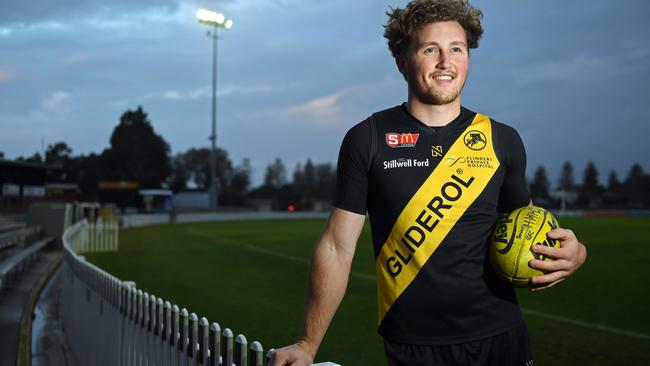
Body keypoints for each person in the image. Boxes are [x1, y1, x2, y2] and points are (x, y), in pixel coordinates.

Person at [268, 0, 587, 365]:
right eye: (430, 49)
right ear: (403, 61)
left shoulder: (503, 139)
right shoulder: (368, 139)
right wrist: (308, 343)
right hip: (414, 347)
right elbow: (336, 248)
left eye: (457, 49)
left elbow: (525, 229)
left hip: (501, 337)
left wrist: (575, 254)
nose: (445, 62)